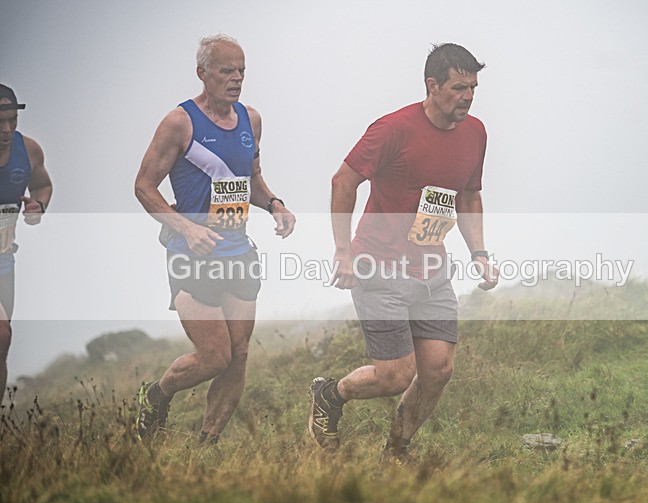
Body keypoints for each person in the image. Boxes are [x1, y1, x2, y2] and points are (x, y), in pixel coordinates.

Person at [308, 43, 498, 460]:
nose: (467, 96)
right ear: (432, 86)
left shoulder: (476, 132)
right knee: (395, 376)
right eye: (458, 87)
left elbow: (469, 195)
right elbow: (343, 181)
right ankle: (330, 393)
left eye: (473, 88)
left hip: (431, 269)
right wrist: (342, 251)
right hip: (378, 266)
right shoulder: (392, 129)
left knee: (438, 371)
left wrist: (479, 253)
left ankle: (396, 452)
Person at [134, 34, 295, 443]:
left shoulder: (250, 120)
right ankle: (158, 395)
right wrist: (187, 228)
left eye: (242, 71)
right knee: (214, 356)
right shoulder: (180, 122)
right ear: (202, 73)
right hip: (191, 253)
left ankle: (206, 444)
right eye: (227, 71)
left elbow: (251, 180)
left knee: (238, 355)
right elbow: (144, 187)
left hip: (238, 250)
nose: (237, 78)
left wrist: (275, 204)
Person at [0, 84, 52, 403]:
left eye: (11, 121)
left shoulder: (28, 150)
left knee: (3, 341)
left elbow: (43, 185)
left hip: (5, 263)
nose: (6, 130)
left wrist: (38, 206)